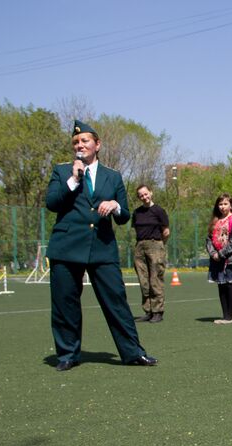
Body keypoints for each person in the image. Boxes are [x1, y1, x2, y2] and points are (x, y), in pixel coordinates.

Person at [45, 120, 157, 371]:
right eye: (76, 142)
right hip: (67, 247)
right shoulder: (62, 171)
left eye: (85, 141)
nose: (80, 145)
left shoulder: (113, 176)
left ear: (97, 145)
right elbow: (52, 203)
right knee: (65, 303)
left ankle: (132, 352)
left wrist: (116, 206)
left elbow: (125, 214)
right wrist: (73, 181)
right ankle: (68, 355)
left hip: (102, 248)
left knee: (116, 300)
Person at [132, 184, 170, 323]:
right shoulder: (136, 213)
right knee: (143, 281)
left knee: (155, 280)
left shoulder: (159, 211)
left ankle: (158, 311)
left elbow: (166, 231)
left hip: (155, 245)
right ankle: (148, 311)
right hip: (140, 246)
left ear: (151, 193)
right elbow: (135, 229)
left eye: (146, 194)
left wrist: (159, 245)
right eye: (141, 195)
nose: (144, 197)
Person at [206, 193, 232, 324]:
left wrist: (221, 254)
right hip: (216, 259)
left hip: (231, 259)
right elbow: (208, 239)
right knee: (221, 285)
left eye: (225, 204)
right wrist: (213, 253)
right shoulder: (214, 221)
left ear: (231, 205)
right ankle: (225, 315)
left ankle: (231, 316)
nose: (222, 206)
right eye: (220, 204)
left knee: (229, 284)